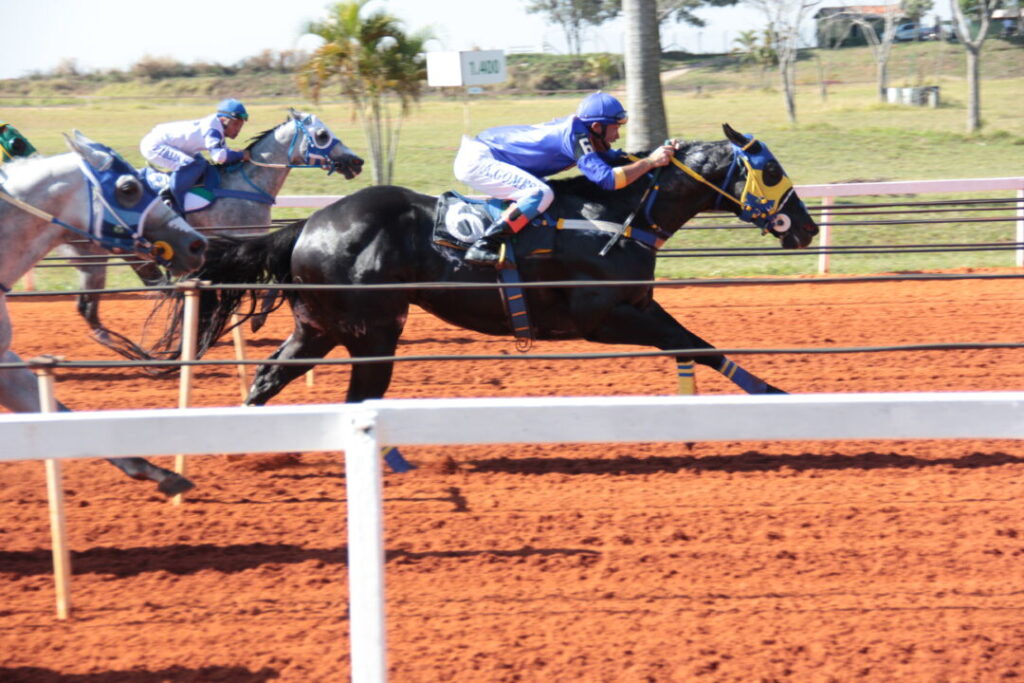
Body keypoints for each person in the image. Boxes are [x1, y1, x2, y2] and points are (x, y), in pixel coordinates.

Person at [453, 91, 677, 267]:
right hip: (478, 160)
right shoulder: (576, 136)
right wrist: (650, 162)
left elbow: (613, 158)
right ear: (597, 127)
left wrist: (655, 155)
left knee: (542, 192)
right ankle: (484, 245)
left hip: (488, 153)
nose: (617, 135)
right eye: (615, 128)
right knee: (540, 193)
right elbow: (609, 180)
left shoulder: (585, 133)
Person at [139, 98, 250, 212]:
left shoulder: (217, 126)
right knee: (190, 165)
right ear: (223, 119)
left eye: (240, 125)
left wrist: (236, 154)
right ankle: (169, 197)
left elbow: (222, 152)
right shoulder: (212, 129)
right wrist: (241, 155)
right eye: (235, 124)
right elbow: (219, 157)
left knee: (200, 163)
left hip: (168, 143)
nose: (238, 129)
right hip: (154, 145)